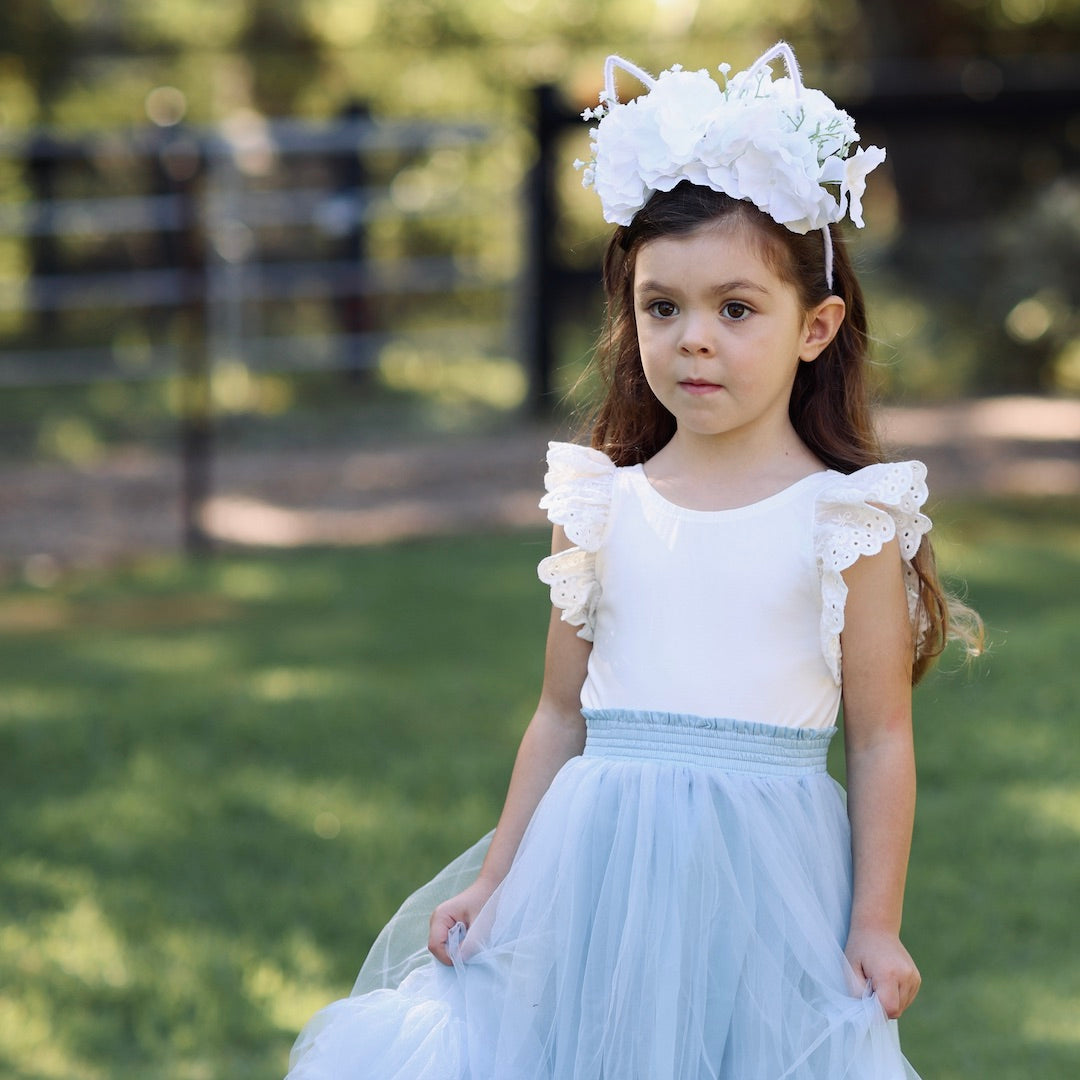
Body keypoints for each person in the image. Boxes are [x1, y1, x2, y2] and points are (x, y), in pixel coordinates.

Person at [286, 42, 982, 1079]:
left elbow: (880, 739)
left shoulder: (848, 520)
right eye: (664, 307)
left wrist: (874, 924)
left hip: (764, 891)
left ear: (815, 325)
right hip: (594, 878)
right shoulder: (598, 503)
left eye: (736, 309)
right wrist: (498, 879)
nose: (695, 339)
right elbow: (560, 715)